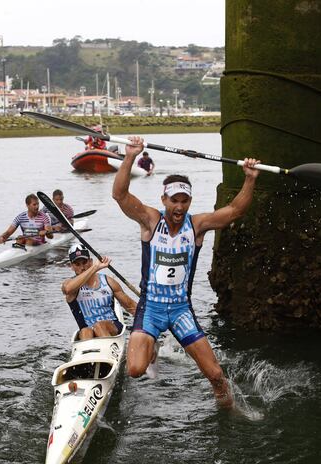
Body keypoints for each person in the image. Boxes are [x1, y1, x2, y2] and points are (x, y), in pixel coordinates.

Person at [112, 136, 261, 408]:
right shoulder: (150, 220)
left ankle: (228, 412)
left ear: (190, 200)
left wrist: (249, 178)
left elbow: (235, 211)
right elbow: (120, 196)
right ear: (164, 199)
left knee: (215, 374)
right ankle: (151, 345)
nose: (179, 207)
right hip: (152, 308)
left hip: (181, 309)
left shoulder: (197, 225)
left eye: (184, 201)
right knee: (135, 369)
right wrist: (130, 156)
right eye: (174, 201)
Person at [62, 243, 137, 340]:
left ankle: (107, 349)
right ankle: (89, 352)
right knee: (86, 331)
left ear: (91, 262)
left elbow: (132, 307)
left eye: (84, 262)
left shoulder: (108, 282)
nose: (82, 267)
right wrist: (95, 268)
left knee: (99, 326)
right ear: (71, 266)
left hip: (112, 326)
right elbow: (67, 289)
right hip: (87, 331)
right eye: (77, 264)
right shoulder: (70, 285)